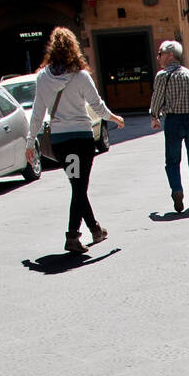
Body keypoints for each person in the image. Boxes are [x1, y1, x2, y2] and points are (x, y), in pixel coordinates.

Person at [26, 26, 123, 252]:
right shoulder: (80, 76)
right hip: (81, 139)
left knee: (77, 185)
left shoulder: (42, 77)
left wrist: (30, 142)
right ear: (73, 48)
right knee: (79, 187)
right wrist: (114, 118)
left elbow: (38, 113)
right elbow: (97, 106)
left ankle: (95, 229)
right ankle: (72, 235)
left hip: (61, 141)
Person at [149, 40, 189, 212]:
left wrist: (154, 116)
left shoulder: (163, 76)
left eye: (160, 53)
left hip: (174, 121)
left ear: (170, 55)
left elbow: (157, 98)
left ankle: (177, 190)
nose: (158, 57)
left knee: (172, 160)